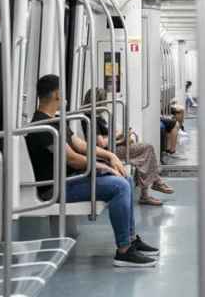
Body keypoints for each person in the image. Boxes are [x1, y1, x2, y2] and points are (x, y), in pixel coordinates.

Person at [25, 75, 158, 267]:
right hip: (56, 188)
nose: (66, 98)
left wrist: (110, 156)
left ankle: (130, 239)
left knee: (126, 178)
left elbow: (81, 145)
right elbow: (72, 158)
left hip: (71, 179)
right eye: (64, 93)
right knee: (119, 186)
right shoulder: (42, 125)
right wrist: (101, 166)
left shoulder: (55, 120)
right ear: (57, 94)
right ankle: (123, 251)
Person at [83, 88, 175, 206]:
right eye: (104, 100)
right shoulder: (90, 118)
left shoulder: (97, 116)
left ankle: (153, 185)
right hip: (107, 151)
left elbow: (107, 134)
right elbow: (101, 143)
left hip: (113, 146)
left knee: (144, 152)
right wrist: (119, 135)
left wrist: (123, 134)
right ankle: (152, 186)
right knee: (147, 149)